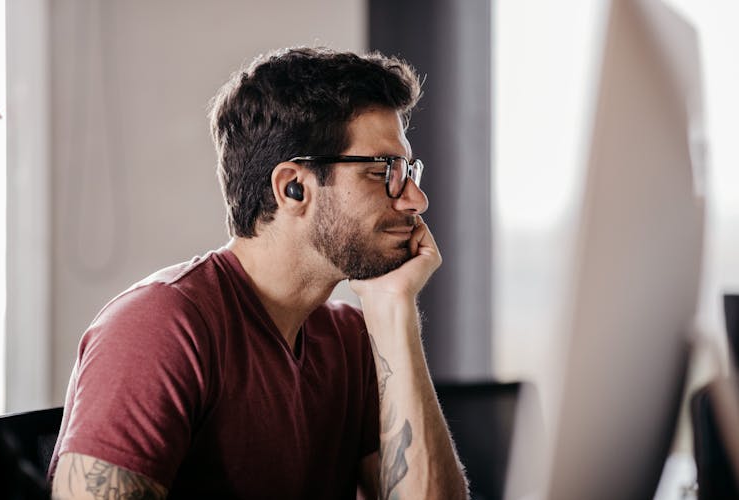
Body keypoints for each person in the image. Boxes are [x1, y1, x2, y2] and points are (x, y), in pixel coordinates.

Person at [48, 47, 468, 499]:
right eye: (385, 170)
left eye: (409, 170)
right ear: (293, 187)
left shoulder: (351, 339)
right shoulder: (158, 328)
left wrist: (394, 310)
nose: (415, 200)